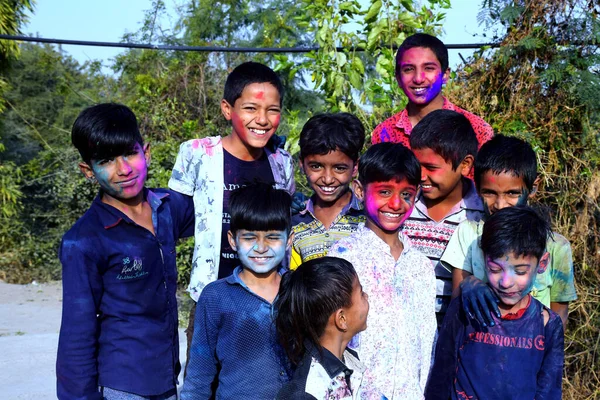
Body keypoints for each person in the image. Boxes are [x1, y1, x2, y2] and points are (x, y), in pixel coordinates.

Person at [57, 103, 194, 399]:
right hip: (123, 386)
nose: (124, 169)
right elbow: (76, 334)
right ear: (88, 171)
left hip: (169, 380)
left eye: (130, 153)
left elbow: (222, 208)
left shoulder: (169, 208)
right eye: (106, 160)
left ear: (146, 152)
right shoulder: (83, 240)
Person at [168, 61, 295, 356]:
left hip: (270, 301)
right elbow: (173, 222)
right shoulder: (197, 154)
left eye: (272, 110)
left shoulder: (281, 162)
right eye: (251, 108)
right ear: (228, 110)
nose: (262, 119)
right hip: (211, 300)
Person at [328, 143, 437, 399]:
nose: (396, 204)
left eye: (407, 194)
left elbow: (426, 342)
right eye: (385, 191)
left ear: (417, 194)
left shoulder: (421, 266)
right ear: (359, 190)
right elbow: (330, 341)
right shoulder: (343, 259)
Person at [425, 206, 564, 400]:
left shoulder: (548, 324)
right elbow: (442, 374)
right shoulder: (465, 309)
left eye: (521, 271)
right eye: (495, 269)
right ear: (484, 261)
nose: (506, 282)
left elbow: (549, 391)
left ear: (542, 264)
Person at [440, 135, 577, 329]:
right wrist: (469, 284)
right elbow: (457, 298)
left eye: (512, 193)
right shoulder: (468, 234)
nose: (500, 204)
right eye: (489, 192)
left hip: (530, 354)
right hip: (477, 349)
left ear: (533, 188)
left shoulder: (556, 246)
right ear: (477, 188)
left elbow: (559, 317)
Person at [181, 183, 294, 399]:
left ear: (289, 240)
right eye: (250, 237)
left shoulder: (300, 290)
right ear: (233, 240)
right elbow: (199, 374)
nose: (261, 247)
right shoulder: (216, 297)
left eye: (272, 237)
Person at [402, 109, 484, 326]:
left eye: (431, 167)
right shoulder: (402, 207)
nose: (420, 175)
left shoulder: (481, 215)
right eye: (416, 164)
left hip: (458, 333)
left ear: (465, 165)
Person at [371, 33, 493, 149]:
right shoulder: (384, 133)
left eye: (429, 68)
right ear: (398, 78)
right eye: (408, 69)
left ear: (445, 75)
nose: (418, 79)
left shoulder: (476, 130)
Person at [275, 257, 371, 399]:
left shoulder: (350, 363)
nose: (367, 296)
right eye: (361, 293)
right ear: (342, 319)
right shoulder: (308, 392)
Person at [290, 113, 366, 269]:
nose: (328, 179)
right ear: (302, 164)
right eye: (316, 166)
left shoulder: (368, 219)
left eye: (339, 168)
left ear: (355, 167)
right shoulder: (294, 221)